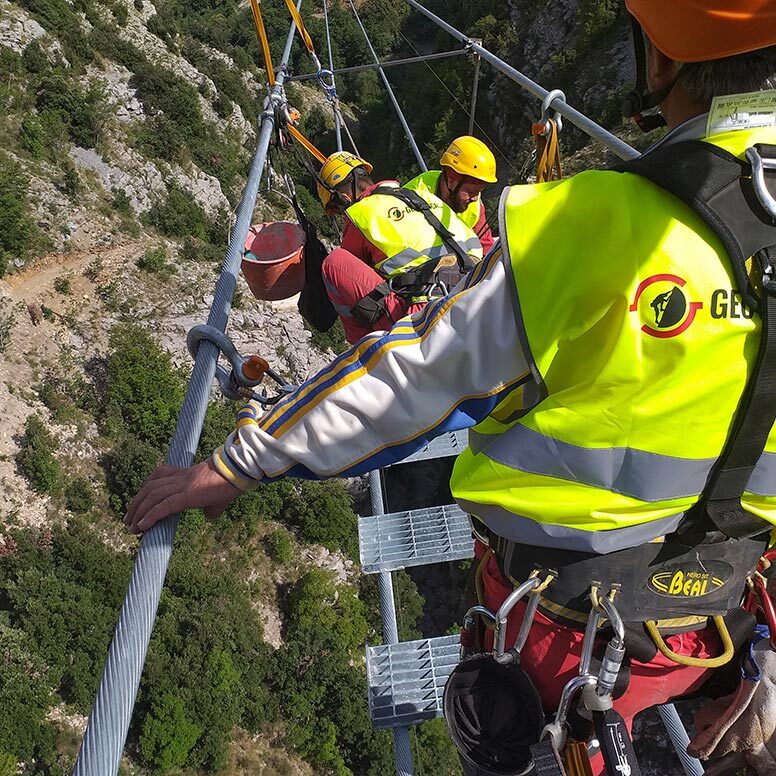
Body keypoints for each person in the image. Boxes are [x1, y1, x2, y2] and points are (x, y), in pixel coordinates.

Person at [126, 2, 776, 773]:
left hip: (562, 641)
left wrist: (241, 461)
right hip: (725, 620)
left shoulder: (600, 224)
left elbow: (417, 374)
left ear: (661, 59)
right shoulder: (446, 201)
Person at [317, 139, 496, 344]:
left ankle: (363, 349)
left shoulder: (360, 213)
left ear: (344, 198)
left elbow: (353, 276)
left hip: (423, 313)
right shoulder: (421, 195)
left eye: (338, 209)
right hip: (470, 288)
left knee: (334, 263)